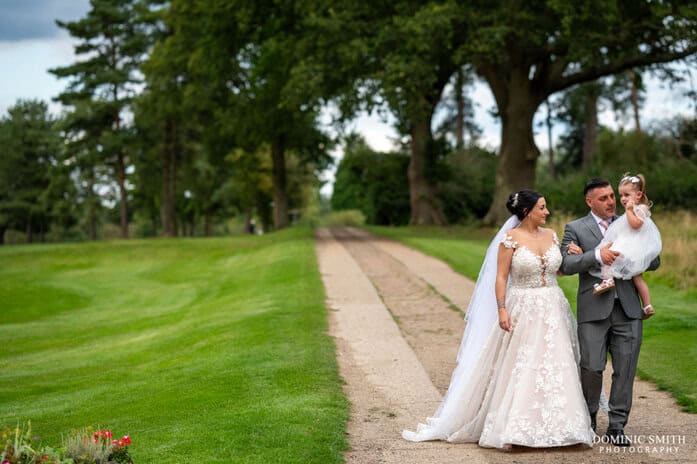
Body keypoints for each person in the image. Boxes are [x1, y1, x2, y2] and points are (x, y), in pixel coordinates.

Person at [402, 190, 594, 449]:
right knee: (523, 364)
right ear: (527, 211)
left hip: (552, 307)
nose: (547, 212)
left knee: (557, 362)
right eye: (542, 207)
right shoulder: (510, 240)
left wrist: (576, 253)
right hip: (522, 306)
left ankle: (563, 426)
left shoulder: (551, 236)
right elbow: (501, 277)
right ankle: (516, 429)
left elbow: (556, 269)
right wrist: (502, 308)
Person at [560, 178, 660, 446]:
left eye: (611, 197)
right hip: (593, 309)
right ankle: (589, 419)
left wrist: (632, 250)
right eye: (603, 198)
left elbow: (655, 259)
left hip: (628, 309)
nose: (611, 201)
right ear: (589, 201)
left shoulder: (631, 220)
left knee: (625, 369)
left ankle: (617, 426)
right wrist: (594, 256)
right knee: (591, 367)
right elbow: (565, 264)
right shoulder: (575, 228)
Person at [587, 174, 661, 318]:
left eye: (626, 195)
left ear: (638, 194)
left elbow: (636, 224)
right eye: (621, 195)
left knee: (610, 252)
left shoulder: (640, 209)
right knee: (637, 277)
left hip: (632, 246)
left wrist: (628, 211)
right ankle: (647, 305)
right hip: (631, 244)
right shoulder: (634, 209)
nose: (623, 199)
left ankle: (607, 280)